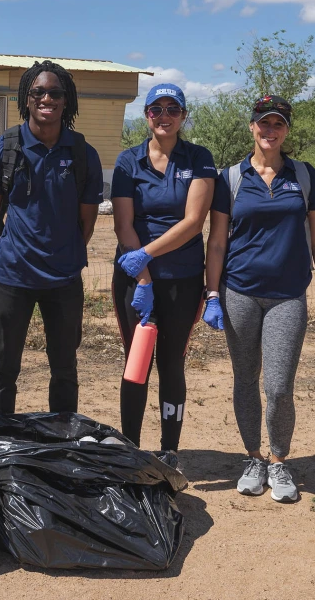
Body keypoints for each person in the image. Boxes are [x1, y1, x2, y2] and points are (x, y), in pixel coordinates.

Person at [203, 94, 315, 503]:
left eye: (278, 124)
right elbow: (217, 242)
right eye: (263, 123)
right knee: (245, 380)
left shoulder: (303, 175)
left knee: (279, 386)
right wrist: (212, 293)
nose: (270, 130)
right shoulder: (230, 179)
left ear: (286, 130)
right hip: (238, 292)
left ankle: (279, 461)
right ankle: (253, 458)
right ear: (252, 126)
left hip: (287, 296)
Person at [0, 60, 104, 415]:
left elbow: (87, 224)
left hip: (63, 279)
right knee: (4, 368)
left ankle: (61, 442)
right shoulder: (3, 151)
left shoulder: (82, 154)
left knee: (64, 368)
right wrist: (13, 249)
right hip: (12, 278)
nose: (47, 98)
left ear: (66, 100)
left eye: (55, 92)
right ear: (26, 98)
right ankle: (2, 441)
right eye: (38, 92)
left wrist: (62, 252)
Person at [111, 83, 215, 451]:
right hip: (134, 281)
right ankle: (130, 449)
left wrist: (147, 256)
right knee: (136, 361)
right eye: (157, 109)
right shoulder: (128, 161)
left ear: (184, 116)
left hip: (182, 280)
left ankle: (169, 451)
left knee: (172, 364)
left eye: (173, 109)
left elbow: (193, 221)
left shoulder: (199, 158)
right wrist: (141, 275)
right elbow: (124, 224)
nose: (165, 116)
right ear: (147, 115)